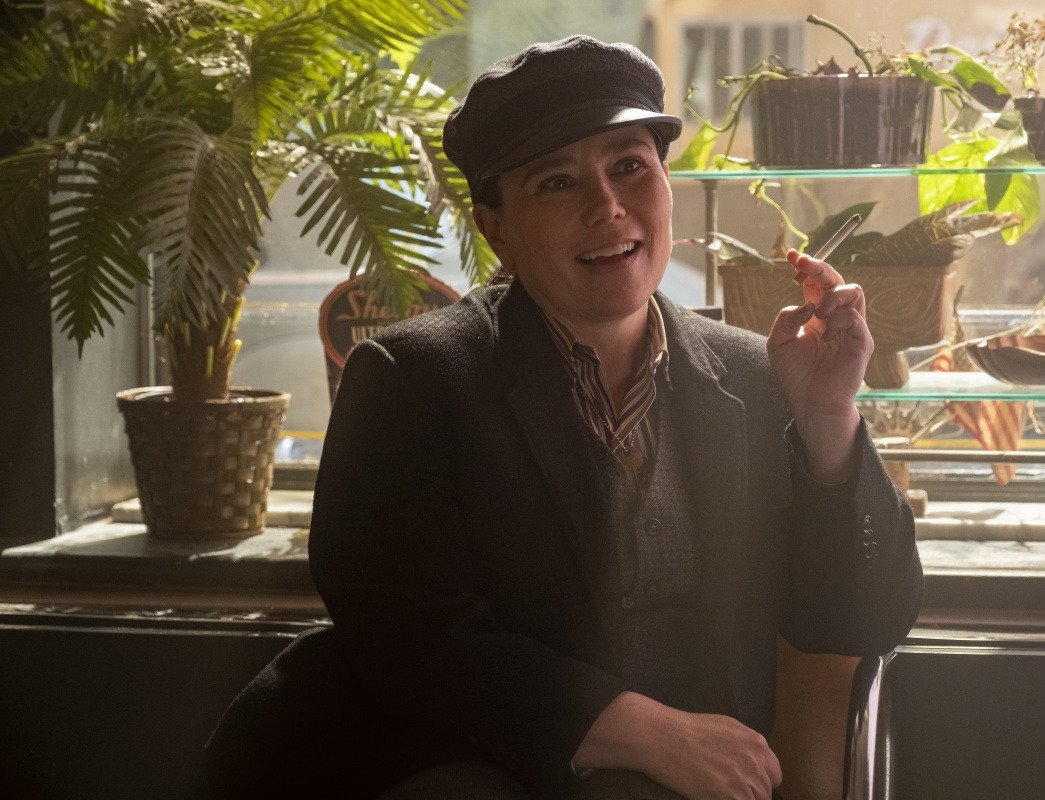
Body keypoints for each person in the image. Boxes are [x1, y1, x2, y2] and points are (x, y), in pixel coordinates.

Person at [305, 35, 923, 800]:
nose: (606, 207)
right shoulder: (413, 378)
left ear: (665, 182)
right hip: (488, 771)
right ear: (496, 230)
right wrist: (638, 729)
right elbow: (408, 634)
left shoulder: (759, 375)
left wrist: (828, 420)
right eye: (556, 182)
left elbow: (866, 620)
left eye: (629, 166)